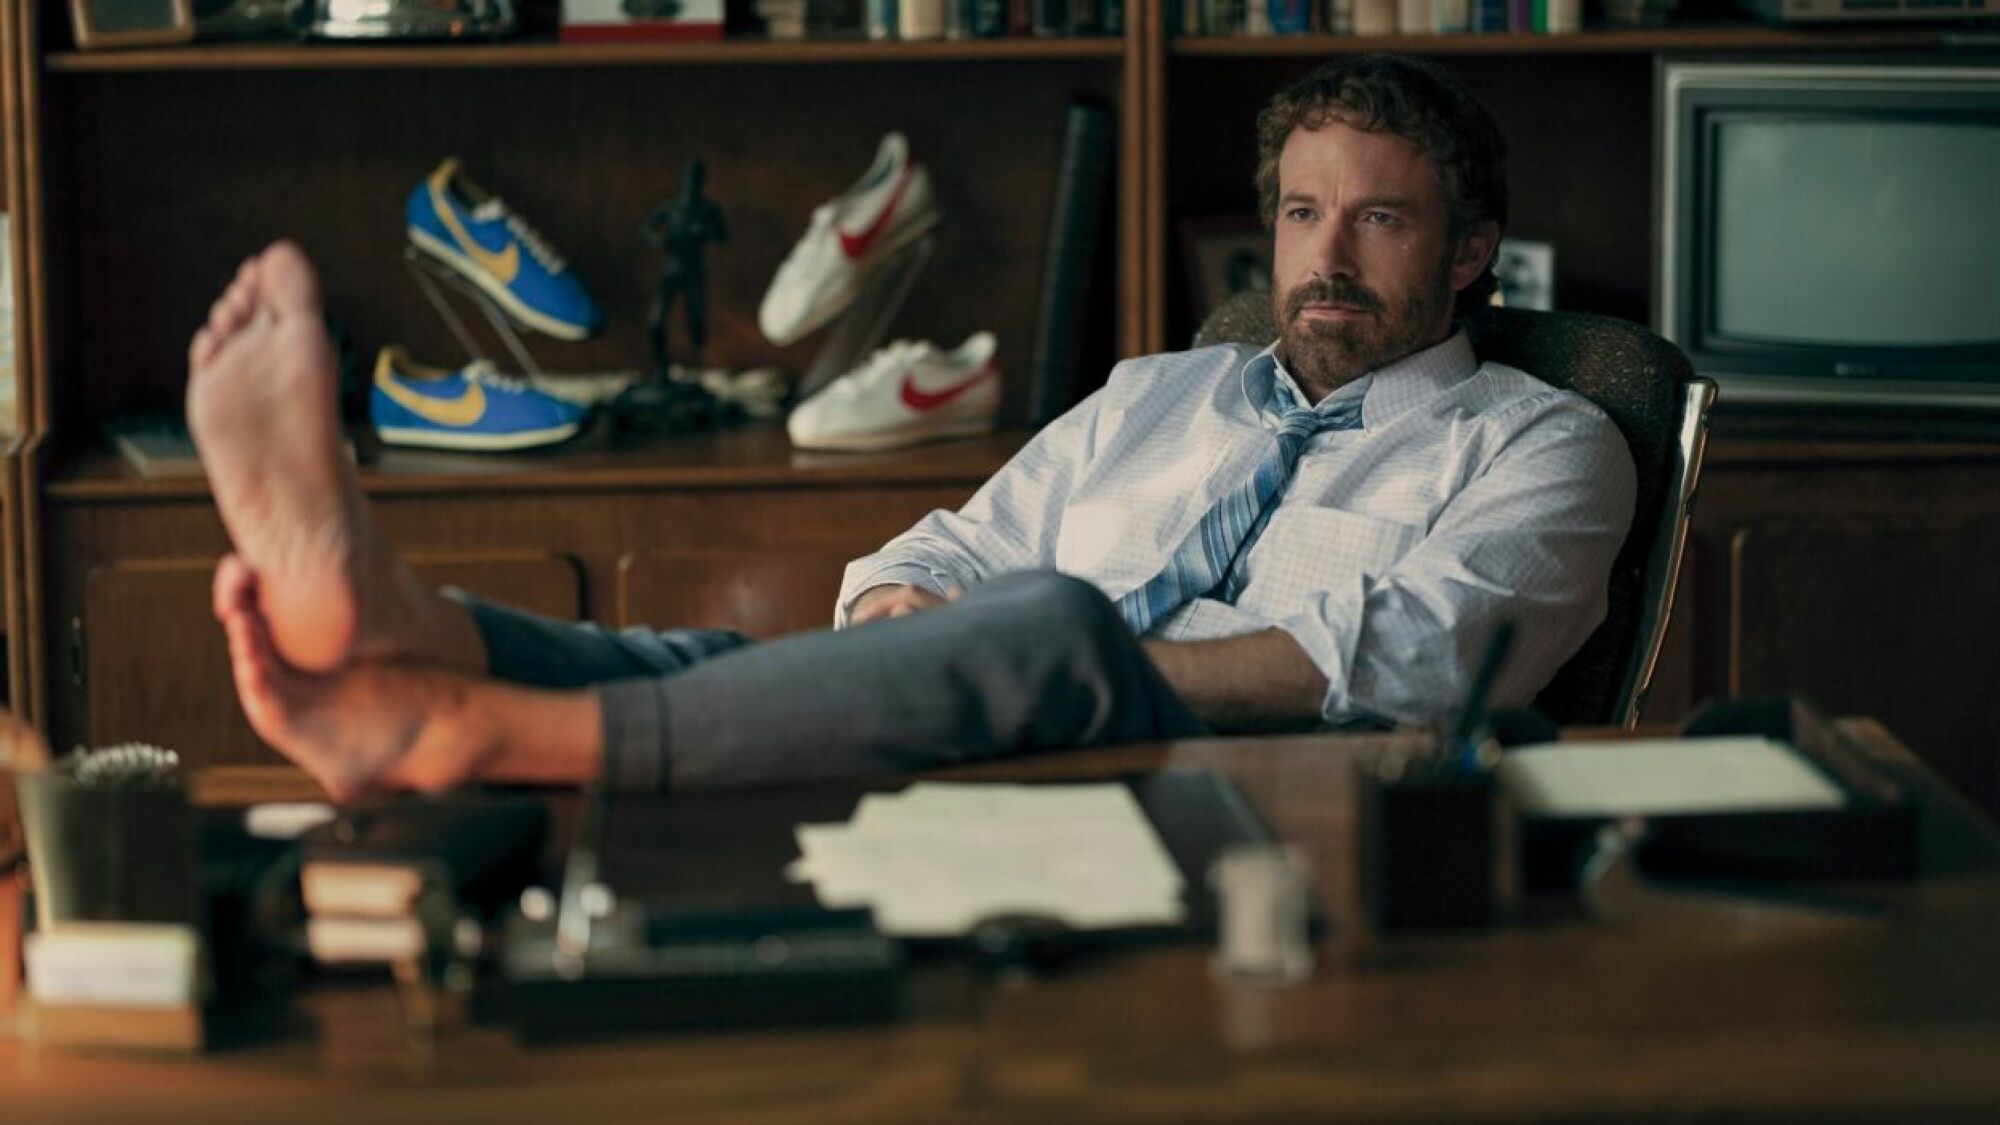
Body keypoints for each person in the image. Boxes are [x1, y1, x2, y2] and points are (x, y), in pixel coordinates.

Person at [185, 55, 1633, 802]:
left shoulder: (1548, 443)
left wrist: (1070, 661)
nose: (1324, 257)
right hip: (1010, 737)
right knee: (729, 664)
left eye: (1379, 219)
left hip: (1264, 792)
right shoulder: (1159, 392)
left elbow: (1434, 655)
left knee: (1047, 621)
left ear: (1463, 252)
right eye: (1304, 213)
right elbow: (949, 541)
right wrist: (907, 626)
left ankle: (481, 726)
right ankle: (416, 623)